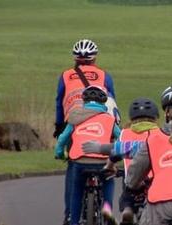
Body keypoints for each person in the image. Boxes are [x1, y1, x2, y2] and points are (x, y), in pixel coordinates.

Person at [82, 83, 172, 225]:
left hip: (159, 206)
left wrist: (132, 187)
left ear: (167, 113)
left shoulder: (153, 138)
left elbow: (134, 176)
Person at [53, 39, 118, 225]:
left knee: (73, 166)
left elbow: (59, 102)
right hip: (104, 121)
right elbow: (113, 102)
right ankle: (107, 212)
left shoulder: (66, 75)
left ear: (75, 58)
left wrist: (59, 127)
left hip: (73, 122)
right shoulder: (105, 75)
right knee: (108, 173)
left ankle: (69, 216)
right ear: (94, 58)